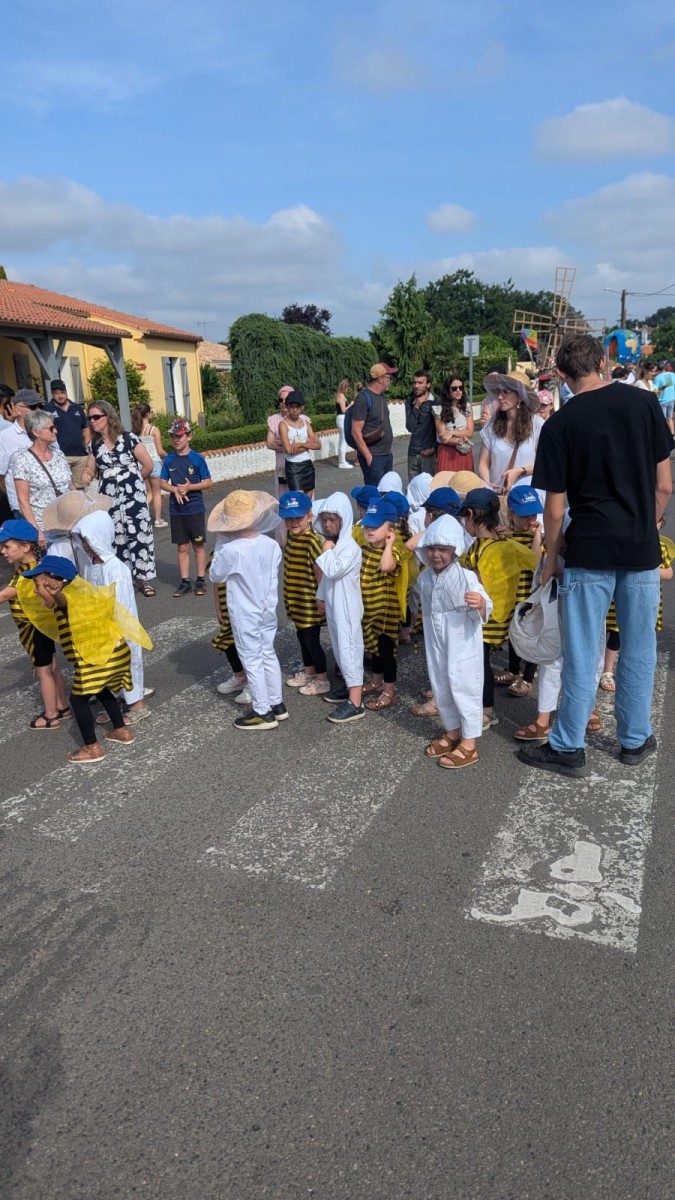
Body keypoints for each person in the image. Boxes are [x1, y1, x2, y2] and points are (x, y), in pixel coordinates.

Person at [519, 333, 673, 778]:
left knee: (583, 650)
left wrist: (551, 558)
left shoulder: (561, 424)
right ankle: (635, 738)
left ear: (562, 375)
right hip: (640, 547)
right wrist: (648, 522)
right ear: (602, 363)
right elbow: (664, 485)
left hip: (588, 547)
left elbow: (554, 509)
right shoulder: (645, 404)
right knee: (638, 647)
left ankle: (568, 745)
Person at [20, 555, 150, 764]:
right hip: (114, 652)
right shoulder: (83, 592)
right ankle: (121, 731)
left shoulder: (66, 598)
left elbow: (62, 601)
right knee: (101, 689)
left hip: (96, 660)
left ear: (54, 584)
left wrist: (56, 594)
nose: (35, 591)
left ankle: (92, 748)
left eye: (37, 585)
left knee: (78, 700)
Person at [459, 488, 538, 731]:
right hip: (501, 614)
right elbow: (533, 561)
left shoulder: (482, 548)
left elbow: (471, 579)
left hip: (485, 616)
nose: (464, 524)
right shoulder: (504, 545)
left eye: (464, 518)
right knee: (480, 662)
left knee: (480, 664)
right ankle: (483, 706)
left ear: (471, 515)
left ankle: (487, 711)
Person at [208, 491, 287, 731]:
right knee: (267, 653)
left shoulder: (232, 550)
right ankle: (277, 703)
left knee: (251, 658)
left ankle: (262, 711)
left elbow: (215, 574)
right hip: (267, 608)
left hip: (245, 612)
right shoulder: (271, 544)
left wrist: (221, 545)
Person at [418, 515, 491, 769]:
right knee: (441, 683)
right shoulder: (424, 578)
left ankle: (469, 743)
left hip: (462, 641)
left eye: (443, 549)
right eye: (431, 548)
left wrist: (480, 604)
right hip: (436, 640)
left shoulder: (466, 577)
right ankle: (452, 731)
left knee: (464, 685)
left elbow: (485, 602)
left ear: (455, 550)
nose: (436, 555)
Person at [72, 510, 152, 726]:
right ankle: (115, 703)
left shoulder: (116, 568)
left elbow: (122, 603)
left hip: (119, 625)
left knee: (129, 661)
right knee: (109, 667)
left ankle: (138, 704)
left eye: (89, 539)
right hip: (101, 626)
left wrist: (115, 626)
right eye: (83, 540)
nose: (86, 545)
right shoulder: (90, 565)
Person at [0, 518, 70, 729]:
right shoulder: (34, 567)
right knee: (53, 667)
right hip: (43, 626)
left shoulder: (28, 575)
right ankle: (62, 706)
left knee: (44, 672)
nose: (3, 551)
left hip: (35, 628)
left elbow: (4, 595)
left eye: (7, 546)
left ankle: (50, 715)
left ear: (25, 546)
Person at [82, 400, 157, 596]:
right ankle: (125, 579)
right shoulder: (95, 445)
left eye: (96, 416)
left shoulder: (128, 438)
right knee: (116, 537)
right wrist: (87, 473)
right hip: (109, 499)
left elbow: (148, 464)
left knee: (139, 534)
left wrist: (134, 482)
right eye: (90, 418)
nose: (93, 421)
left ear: (108, 416)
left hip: (133, 497)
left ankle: (144, 579)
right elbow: (91, 467)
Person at [312, 492, 365, 723]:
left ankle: (356, 702)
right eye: (324, 520)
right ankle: (349, 686)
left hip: (347, 607)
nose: (327, 525)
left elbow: (333, 570)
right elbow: (327, 578)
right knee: (339, 647)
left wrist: (326, 550)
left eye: (333, 520)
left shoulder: (351, 548)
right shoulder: (335, 546)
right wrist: (321, 596)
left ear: (344, 520)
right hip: (335, 605)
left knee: (350, 648)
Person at [279, 490, 329, 695]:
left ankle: (322, 679)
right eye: (288, 519)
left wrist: (320, 597)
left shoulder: (312, 540)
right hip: (296, 598)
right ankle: (309, 671)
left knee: (311, 640)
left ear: (309, 516)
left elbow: (319, 571)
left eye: (298, 518)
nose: (293, 523)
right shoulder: (291, 537)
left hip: (309, 600)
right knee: (301, 636)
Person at [498, 485, 544, 696]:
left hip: (531, 596)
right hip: (511, 594)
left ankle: (527, 678)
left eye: (533, 514)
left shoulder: (538, 538)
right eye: (525, 515)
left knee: (530, 635)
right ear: (511, 514)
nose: (530, 520)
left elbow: (534, 561)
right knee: (514, 634)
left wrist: (537, 536)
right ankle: (513, 670)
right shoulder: (507, 535)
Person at [359, 497, 405, 710]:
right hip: (369, 611)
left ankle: (389, 692)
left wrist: (389, 544)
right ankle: (376, 682)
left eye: (375, 527)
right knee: (374, 648)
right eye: (367, 526)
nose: (369, 530)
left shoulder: (393, 552)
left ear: (390, 530)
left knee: (386, 652)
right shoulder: (364, 549)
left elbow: (387, 567)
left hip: (386, 613)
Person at [160, 417, 212, 597]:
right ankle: (184, 581)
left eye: (180, 436)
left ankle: (200, 579)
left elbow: (208, 482)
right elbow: (161, 482)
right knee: (182, 547)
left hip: (195, 509)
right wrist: (174, 489)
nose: (176, 440)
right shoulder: (169, 460)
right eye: (173, 436)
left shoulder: (197, 459)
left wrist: (190, 487)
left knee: (198, 545)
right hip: (177, 510)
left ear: (189, 436)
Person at [12, 411, 73, 548]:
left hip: (68, 524)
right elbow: (23, 501)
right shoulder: (23, 460)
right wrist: (36, 531)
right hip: (45, 529)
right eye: (51, 428)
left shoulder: (59, 454)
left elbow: (71, 486)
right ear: (36, 432)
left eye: (55, 427)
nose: (55, 431)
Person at [478, 372, 543, 493]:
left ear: (520, 397)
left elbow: (545, 463)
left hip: (526, 497)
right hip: (497, 496)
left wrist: (521, 470)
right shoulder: (491, 425)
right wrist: (487, 483)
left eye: (505, 392)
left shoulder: (537, 425)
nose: (500, 397)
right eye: (499, 392)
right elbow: (483, 464)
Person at [0, 388, 45, 519]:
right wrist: (15, 497)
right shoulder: (5, 437)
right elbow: (1, 476)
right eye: (33, 407)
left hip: (50, 503)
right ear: (18, 410)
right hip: (23, 508)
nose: (38, 410)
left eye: (40, 406)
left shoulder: (47, 431)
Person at [351, 364, 397, 486]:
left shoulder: (380, 396)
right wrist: (369, 457)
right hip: (374, 456)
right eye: (389, 377)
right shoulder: (363, 398)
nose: (390, 381)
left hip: (385, 454)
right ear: (380, 379)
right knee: (375, 492)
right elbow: (355, 431)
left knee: (386, 490)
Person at [45, 379, 91, 488]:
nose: (60, 396)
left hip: (80, 455)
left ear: (66, 392)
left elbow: (85, 429)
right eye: (56, 393)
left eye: (62, 392)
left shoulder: (77, 408)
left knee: (81, 488)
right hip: (61, 456)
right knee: (64, 488)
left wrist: (87, 448)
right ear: (52, 394)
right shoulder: (47, 409)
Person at [277, 390, 320, 495]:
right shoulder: (283, 424)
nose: (295, 410)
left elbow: (318, 445)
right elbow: (288, 450)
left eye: (298, 406)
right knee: (298, 498)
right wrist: (308, 445)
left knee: (309, 498)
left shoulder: (306, 423)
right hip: (293, 466)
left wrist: (301, 444)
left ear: (302, 407)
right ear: (287, 407)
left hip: (307, 464)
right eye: (292, 406)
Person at [132, 403, 168, 527]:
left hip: (142, 465)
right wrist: (169, 456)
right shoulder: (154, 430)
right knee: (157, 493)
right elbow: (160, 451)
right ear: (148, 414)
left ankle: (139, 516)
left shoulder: (135, 431)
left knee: (149, 493)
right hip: (154, 463)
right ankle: (158, 520)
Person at [432, 376, 475, 473]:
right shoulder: (439, 409)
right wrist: (459, 440)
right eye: (454, 388)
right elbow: (444, 438)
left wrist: (452, 432)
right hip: (447, 453)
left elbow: (470, 432)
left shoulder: (467, 407)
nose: (458, 391)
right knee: (447, 480)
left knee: (465, 481)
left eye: (461, 388)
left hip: (464, 452)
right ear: (448, 390)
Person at [266, 386, 302, 497]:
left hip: (299, 464)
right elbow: (269, 443)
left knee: (301, 493)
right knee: (284, 495)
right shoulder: (274, 419)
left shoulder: (302, 419)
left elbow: (309, 441)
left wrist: (280, 442)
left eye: (286, 399)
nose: (283, 402)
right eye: (281, 400)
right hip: (282, 465)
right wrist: (288, 446)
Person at [405, 370, 437, 482]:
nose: (416, 386)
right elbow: (410, 427)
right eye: (414, 382)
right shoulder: (410, 402)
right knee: (413, 487)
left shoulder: (436, 402)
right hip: (413, 453)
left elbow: (441, 430)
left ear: (428, 384)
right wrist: (416, 406)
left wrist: (434, 449)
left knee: (429, 487)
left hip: (428, 453)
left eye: (420, 383)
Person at [335, 379, 354, 470]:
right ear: (344, 387)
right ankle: (342, 462)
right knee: (343, 441)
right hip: (342, 418)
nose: (348, 389)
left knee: (342, 441)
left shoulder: (340, 395)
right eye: (348, 387)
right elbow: (343, 410)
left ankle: (342, 460)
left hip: (341, 419)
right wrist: (351, 404)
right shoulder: (341, 396)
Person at [653, 361, 675, 435]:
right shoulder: (672, 374)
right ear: (665, 367)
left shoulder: (657, 378)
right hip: (672, 399)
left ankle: (665, 435)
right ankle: (672, 434)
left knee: (663, 419)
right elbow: (671, 385)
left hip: (662, 400)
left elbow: (655, 391)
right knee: (670, 418)